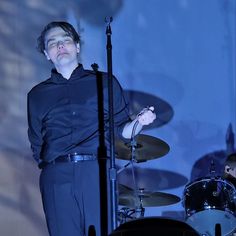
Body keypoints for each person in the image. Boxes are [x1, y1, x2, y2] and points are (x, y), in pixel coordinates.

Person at [27, 21, 156, 236]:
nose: (60, 46)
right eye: (53, 43)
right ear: (47, 54)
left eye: (66, 40)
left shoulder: (104, 82)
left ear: (77, 46)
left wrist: (139, 122)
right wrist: (53, 168)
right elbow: (36, 141)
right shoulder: (37, 95)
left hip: (96, 170)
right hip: (57, 175)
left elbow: (122, 130)